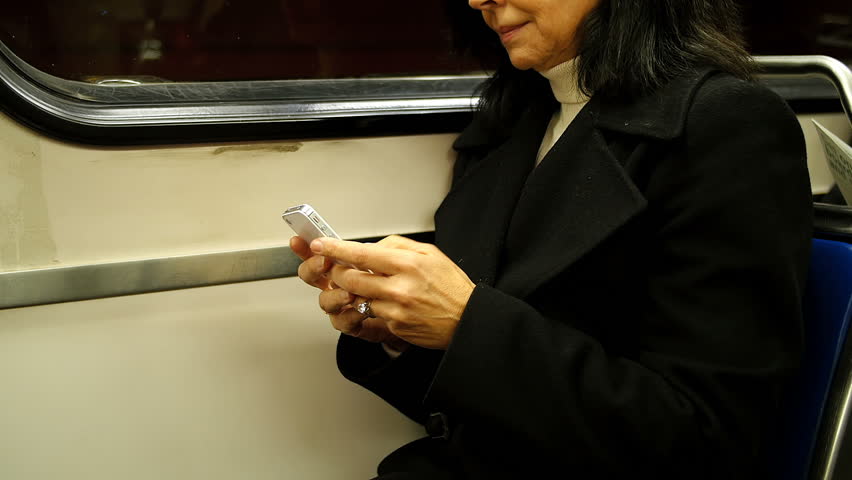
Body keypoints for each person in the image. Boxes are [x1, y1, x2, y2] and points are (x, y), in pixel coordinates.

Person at [291, 0, 813, 478]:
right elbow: (467, 412)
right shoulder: (515, 121)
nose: (479, 0)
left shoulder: (725, 126)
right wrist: (402, 336)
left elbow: (703, 439)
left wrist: (466, 323)